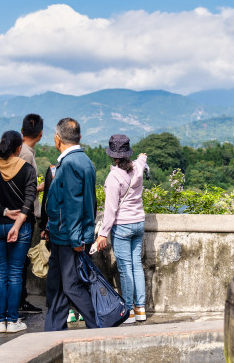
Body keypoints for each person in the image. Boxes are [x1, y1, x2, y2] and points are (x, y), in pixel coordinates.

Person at [0, 131, 37, 333]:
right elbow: (29, 200)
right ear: (19, 149)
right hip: (20, 228)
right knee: (15, 274)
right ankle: (13, 321)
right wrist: (18, 222)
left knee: (0, 273)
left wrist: (2, 211)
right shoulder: (27, 169)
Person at [44, 117, 98, 332]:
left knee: (71, 286)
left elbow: (74, 204)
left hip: (68, 237)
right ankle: (53, 331)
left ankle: (98, 324)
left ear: (57, 139)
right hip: (62, 235)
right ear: (80, 137)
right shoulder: (84, 161)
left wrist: (76, 239)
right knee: (56, 287)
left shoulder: (70, 164)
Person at [94, 134, 149, 324]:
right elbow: (142, 160)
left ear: (112, 155)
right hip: (139, 224)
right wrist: (143, 156)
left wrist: (102, 234)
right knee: (137, 266)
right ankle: (140, 308)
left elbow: (110, 210)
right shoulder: (138, 168)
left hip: (123, 226)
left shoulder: (113, 177)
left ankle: (128, 311)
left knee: (125, 269)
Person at [18, 113, 44, 314]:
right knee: (21, 261)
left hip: (20, 212)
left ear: (22, 130)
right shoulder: (26, 154)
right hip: (25, 213)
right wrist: (43, 186)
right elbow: (23, 188)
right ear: (41, 134)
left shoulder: (22, 150)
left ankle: (19, 300)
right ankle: (20, 301)